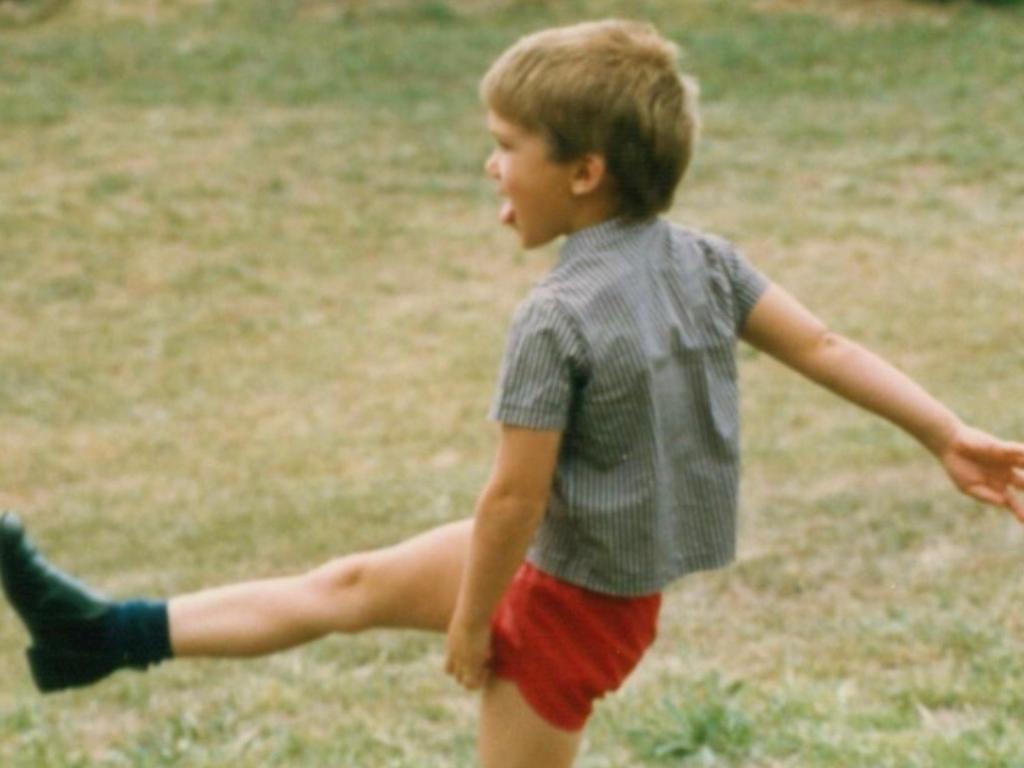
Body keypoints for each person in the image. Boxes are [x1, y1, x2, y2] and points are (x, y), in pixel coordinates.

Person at [2, 19, 1023, 768]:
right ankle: (99, 636)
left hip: (562, 601)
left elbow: (512, 501)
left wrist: (471, 621)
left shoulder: (556, 319)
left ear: (583, 171)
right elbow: (827, 343)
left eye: (505, 143)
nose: (490, 163)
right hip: (569, 568)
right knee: (349, 585)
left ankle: (106, 637)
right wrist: (942, 432)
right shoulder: (702, 260)